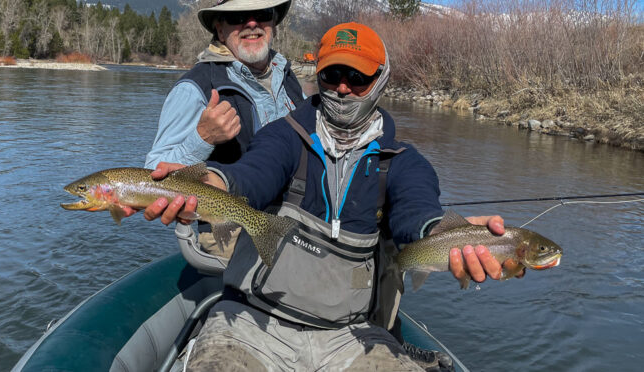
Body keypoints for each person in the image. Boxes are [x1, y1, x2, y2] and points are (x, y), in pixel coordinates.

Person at [147, 22, 521, 371]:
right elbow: (251, 174)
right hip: (250, 323)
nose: (343, 88)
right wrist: (211, 183)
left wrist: (446, 235)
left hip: (352, 336)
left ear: (381, 80)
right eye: (332, 75)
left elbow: (416, 212)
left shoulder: (404, 163)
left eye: (358, 78)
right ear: (319, 76)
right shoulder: (284, 136)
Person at [142, 0, 305, 256]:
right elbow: (151, 173)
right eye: (237, 17)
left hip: (298, 224)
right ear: (219, 29)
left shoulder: (289, 79)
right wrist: (202, 139)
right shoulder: (196, 88)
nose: (251, 23)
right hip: (232, 234)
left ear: (274, 22)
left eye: (262, 14)